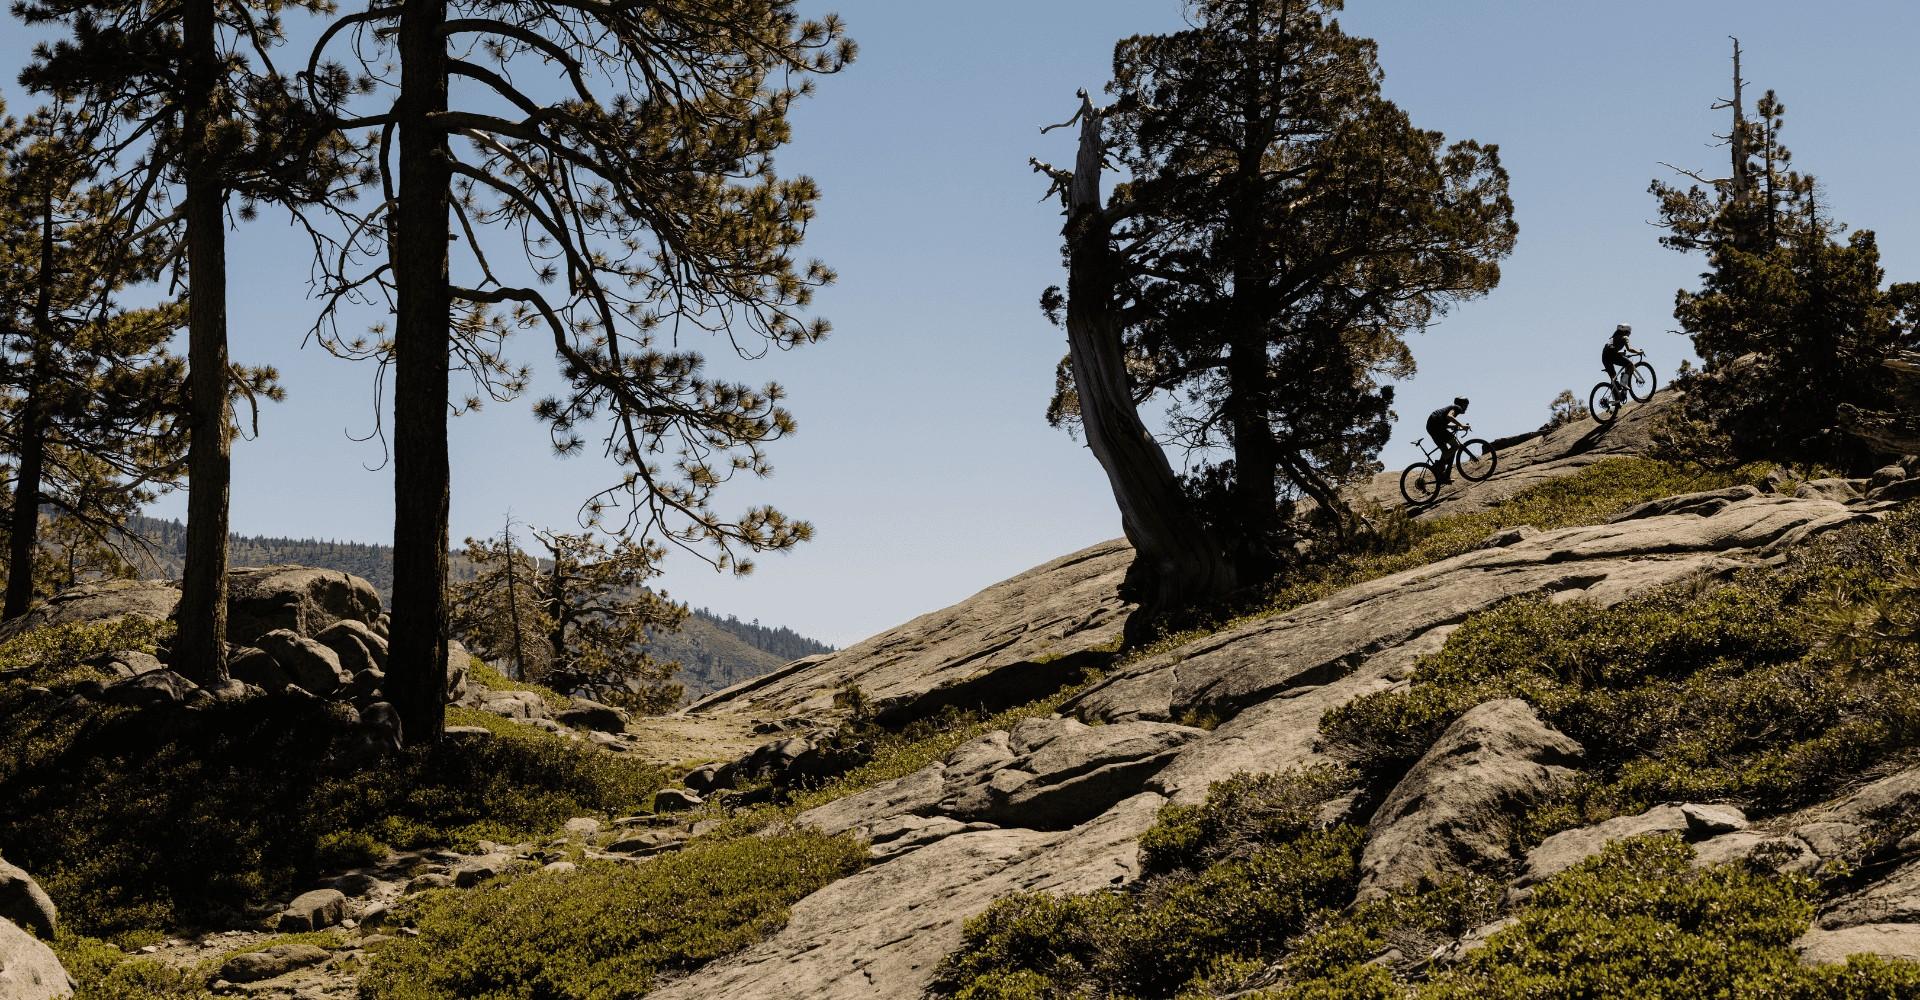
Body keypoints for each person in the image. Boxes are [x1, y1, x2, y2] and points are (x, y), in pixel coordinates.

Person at [1426, 397, 1470, 483]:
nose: (1467, 407)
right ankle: (1438, 467)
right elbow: (1449, 416)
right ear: (1462, 404)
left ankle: (1444, 476)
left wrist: (1453, 426)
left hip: (1432, 426)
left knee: (1447, 451)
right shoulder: (1457, 407)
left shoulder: (1452, 408)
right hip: (1436, 426)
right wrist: (1462, 425)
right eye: (1466, 405)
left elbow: (1443, 421)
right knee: (1456, 446)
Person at [1602, 325, 1635, 389]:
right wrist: (1639, 352)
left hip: (1605, 357)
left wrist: (1621, 354)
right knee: (1630, 365)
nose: (1629, 335)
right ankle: (1623, 382)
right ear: (1626, 331)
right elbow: (1629, 349)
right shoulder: (1625, 337)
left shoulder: (1612, 338)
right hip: (1612, 356)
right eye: (1629, 333)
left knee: (1615, 382)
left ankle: (1616, 397)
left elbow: (1610, 350)